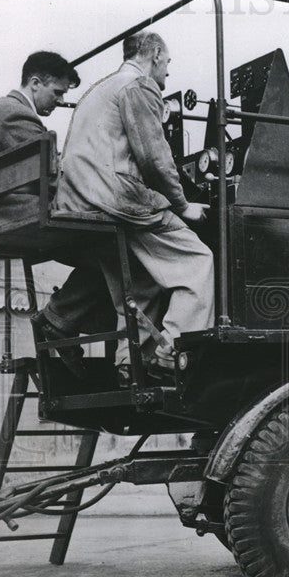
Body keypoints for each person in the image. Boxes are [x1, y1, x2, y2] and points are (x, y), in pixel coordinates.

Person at [55, 32, 214, 374]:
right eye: (168, 63)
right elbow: (155, 158)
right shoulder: (139, 86)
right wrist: (183, 205)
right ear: (156, 54)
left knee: (141, 283)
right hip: (117, 201)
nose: (168, 73)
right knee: (199, 262)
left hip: (81, 203)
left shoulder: (97, 90)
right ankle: (172, 352)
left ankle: (131, 363)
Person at [0, 51, 115, 375]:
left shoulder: (4, 112)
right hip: (9, 213)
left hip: (6, 210)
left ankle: (66, 316)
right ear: (35, 83)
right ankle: (62, 318)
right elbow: (55, 177)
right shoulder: (15, 115)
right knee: (113, 245)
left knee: (105, 251)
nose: (60, 101)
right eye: (57, 93)